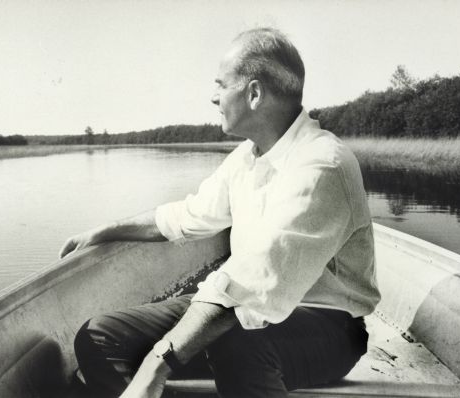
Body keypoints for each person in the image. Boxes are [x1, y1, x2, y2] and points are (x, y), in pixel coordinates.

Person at [59, 27, 381, 398]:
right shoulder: (246, 157)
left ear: (254, 93)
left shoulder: (323, 164)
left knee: (236, 339)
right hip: (246, 312)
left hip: (328, 326)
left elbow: (248, 283)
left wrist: (155, 366)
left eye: (220, 85)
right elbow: (187, 216)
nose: (213, 97)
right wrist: (105, 231)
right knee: (99, 337)